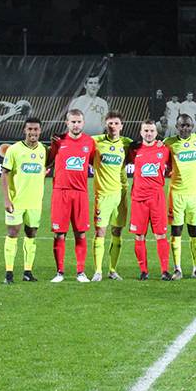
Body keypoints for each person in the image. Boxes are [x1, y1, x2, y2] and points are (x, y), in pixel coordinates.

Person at [48, 109, 95, 283]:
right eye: (72, 122)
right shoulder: (59, 142)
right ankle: (59, 272)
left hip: (81, 193)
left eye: (79, 122)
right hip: (61, 192)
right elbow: (48, 161)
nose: (76, 125)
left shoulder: (89, 142)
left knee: (80, 233)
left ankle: (80, 272)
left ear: (83, 123)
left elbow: (92, 161)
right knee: (59, 234)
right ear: (67, 123)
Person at [1, 117, 45, 284]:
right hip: (16, 201)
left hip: (35, 203)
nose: (33, 132)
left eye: (36, 129)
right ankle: (9, 274)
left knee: (31, 234)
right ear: (24, 130)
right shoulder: (14, 150)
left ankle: (28, 271)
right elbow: (4, 174)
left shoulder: (43, 149)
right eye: (30, 129)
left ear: (40, 131)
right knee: (13, 233)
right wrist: (7, 200)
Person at [127, 120, 172, 280]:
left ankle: (164, 270)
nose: (149, 133)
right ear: (141, 132)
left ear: (156, 132)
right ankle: (143, 271)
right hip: (139, 198)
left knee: (160, 235)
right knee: (139, 236)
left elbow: (171, 168)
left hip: (157, 198)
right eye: (146, 130)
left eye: (151, 131)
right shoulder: (134, 150)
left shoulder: (164, 150)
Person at [164, 115, 196, 279]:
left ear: (193, 126)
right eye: (182, 126)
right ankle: (178, 269)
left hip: (195, 194)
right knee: (176, 231)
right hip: (176, 194)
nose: (185, 128)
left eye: (188, 125)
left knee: (195, 231)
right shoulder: (169, 142)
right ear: (177, 126)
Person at [91, 112, 132, 281]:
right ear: (105, 125)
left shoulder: (127, 144)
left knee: (117, 231)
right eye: (110, 123)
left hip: (120, 195)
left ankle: (112, 270)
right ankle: (98, 271)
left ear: (121, 126)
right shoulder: (96, 142)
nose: (113, 126)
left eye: (116, 123)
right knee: (100, 231)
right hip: (103, 195)